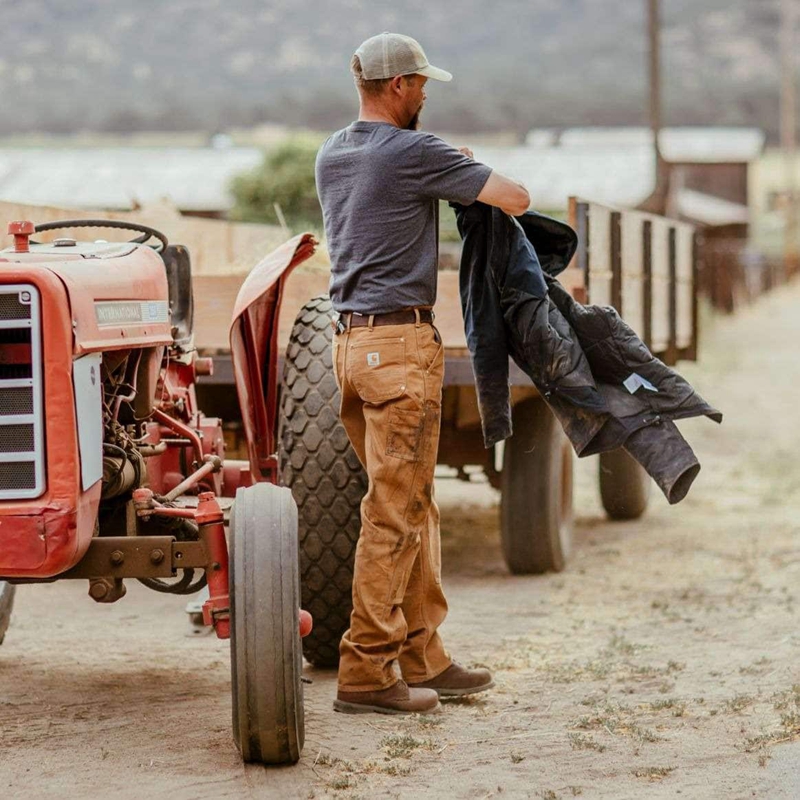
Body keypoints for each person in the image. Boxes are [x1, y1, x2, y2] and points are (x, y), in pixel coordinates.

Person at [315, 32, 530, 715]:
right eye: (421, 83)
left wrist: (446, 164)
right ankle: (367, 673)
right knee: (395, 513)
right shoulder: (415, 152)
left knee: (410, 505)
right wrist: (459, 164)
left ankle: (424, 655)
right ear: (400, 86)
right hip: (401, 349)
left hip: (349, 350)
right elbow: (516, 198)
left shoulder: (334, 153)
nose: (427, 94)